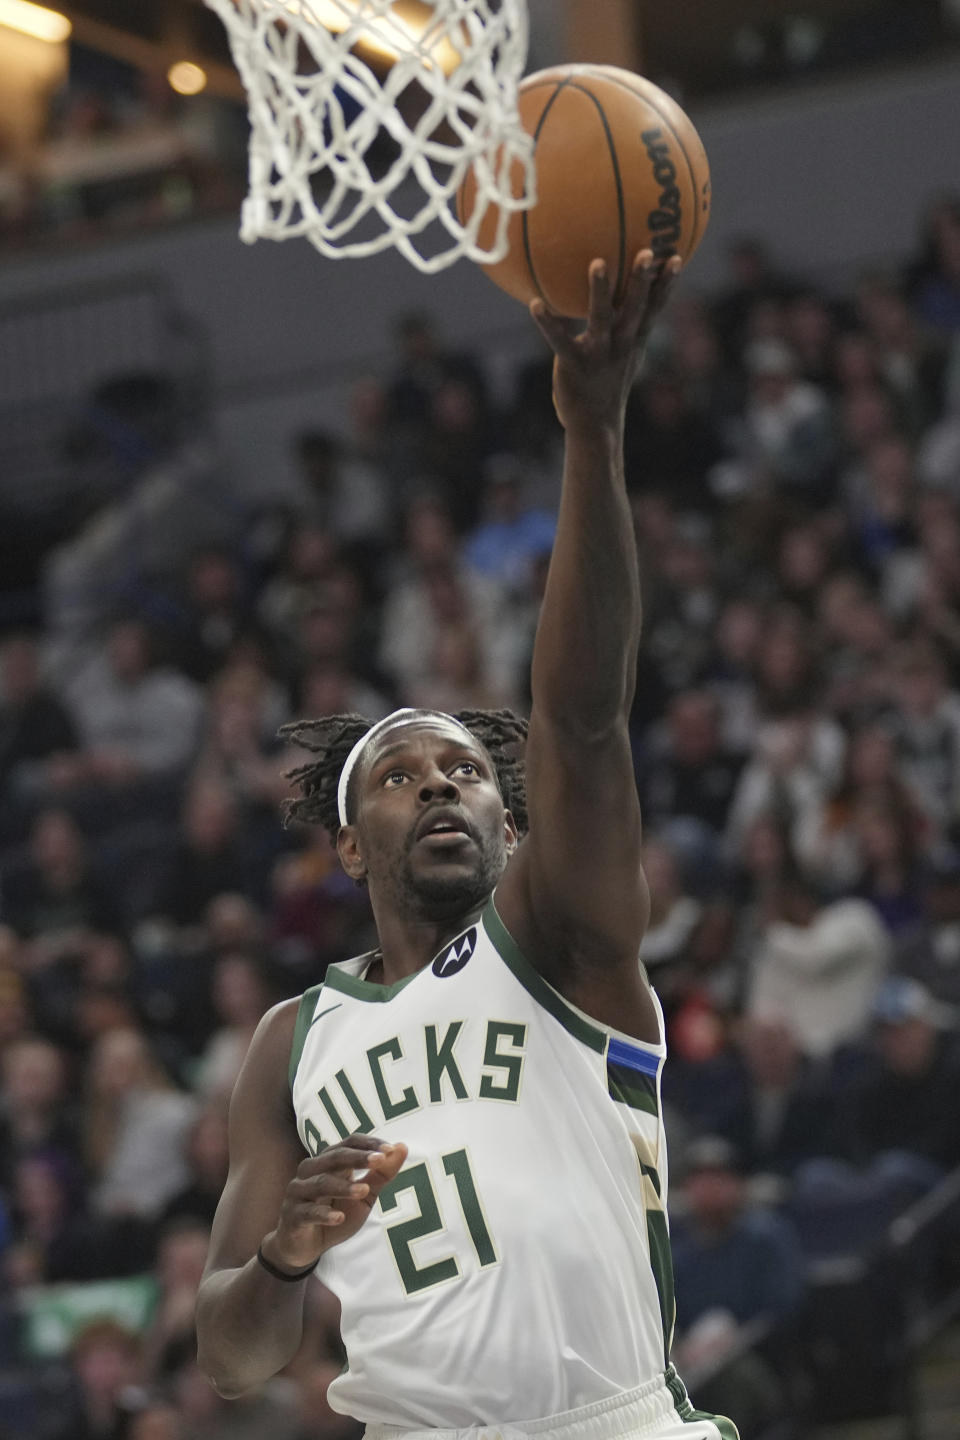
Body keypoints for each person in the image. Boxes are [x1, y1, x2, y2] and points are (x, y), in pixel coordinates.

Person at [196, 253, 739, 1440]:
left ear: (513, 817)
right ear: (349, 848)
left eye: (468, 771)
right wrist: (285, 1256)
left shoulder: (557, 937)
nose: (441, 783)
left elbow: (584, 718)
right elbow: (232, 1357)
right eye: (399, 776)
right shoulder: (292, 1043)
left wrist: (591, 436)